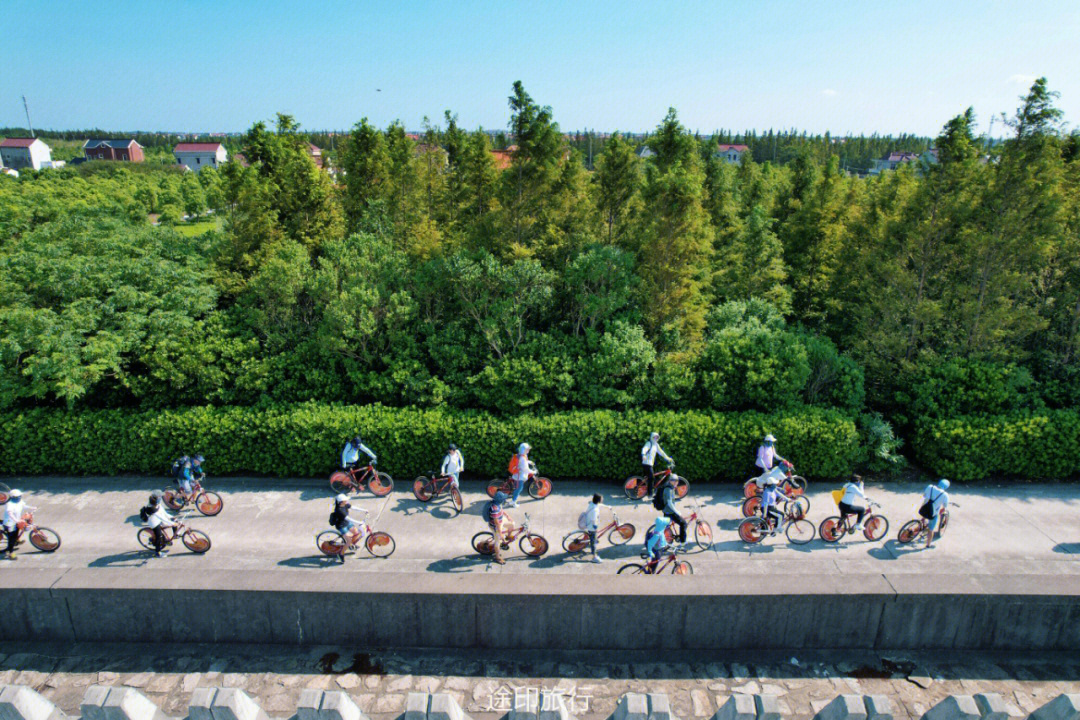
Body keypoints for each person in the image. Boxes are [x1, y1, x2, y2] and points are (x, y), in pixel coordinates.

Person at [329, 494, 367, 563]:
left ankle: (350, 545)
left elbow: (353, 507)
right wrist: (359, 522)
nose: (347, 500)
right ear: (341, 502)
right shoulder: (339, 510)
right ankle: (341, 554)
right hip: (341, 526)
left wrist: (364, 510)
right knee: (349, 541)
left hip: (347, 523)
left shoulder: (345, 504)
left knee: (356, 533)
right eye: (345, 500)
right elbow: (348, 518)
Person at [640, 431, 674, 499]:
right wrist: (643, 454)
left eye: (657, 437)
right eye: (654, 437)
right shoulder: (649, 443)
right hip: (646, 463)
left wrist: (668, 458)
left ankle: (649, 489)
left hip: (650, 463)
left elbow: (661, 452)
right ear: (652, 437)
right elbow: (644, 449)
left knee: (651, 477)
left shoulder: (656, 445)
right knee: (651, 478)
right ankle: (650, 494)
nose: (656, 438)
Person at [484, 491, 514, 565]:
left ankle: (508, 536)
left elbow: (502, 510)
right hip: (496, 525)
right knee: (498, 542)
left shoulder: (498, 504)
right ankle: (497, 557)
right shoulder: (494, 509)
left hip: (501, 520)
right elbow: (496, 522)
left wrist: (507, 516)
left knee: (512, 524)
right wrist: (500, 533)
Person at [920, 478, 951, 549]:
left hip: (923, 509)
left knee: (926, 512)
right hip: (932, 514)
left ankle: (922, 521)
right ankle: (928, 545)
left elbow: (924, 496)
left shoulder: (930, 487)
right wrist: (941, 510)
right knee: (931, 529)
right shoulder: (945, 495)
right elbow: (944, 507)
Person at [659, 473, 686, 546]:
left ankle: (665, 540)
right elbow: (669, 503)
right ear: (670, 481)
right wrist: (677, 511)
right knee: (683, 523)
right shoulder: (668, 489)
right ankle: (682, 542)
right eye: (673, 481)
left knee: (666, 527)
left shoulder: (670, 487)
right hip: (670, 512)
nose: (675, 482)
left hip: (667, 511)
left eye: (677, 481)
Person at [3, 489, 27, 560]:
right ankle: (11, 553)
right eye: (18, 496)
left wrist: (33, 508)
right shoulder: (9, 505)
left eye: (20, 496)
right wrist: (16, 520)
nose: (19, 497)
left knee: (17, 532)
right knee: (12, 539)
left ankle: (16, 539)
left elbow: (24, 505)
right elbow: (10, 514)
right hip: (10, 523)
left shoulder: (19, 502)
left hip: (15, 522)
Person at [509, 443, 536, 508]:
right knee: (519, 489)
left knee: (518, 488)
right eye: (527, 449)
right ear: (523, 450)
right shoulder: (523, 458)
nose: (528, 451)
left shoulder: (521, 455)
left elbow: (525, 461)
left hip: (518, 474)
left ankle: (514, 498)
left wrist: (530, 462)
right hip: (519, 476)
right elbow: (526, 469)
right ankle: (513, 502)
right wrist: (533, 471)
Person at [582, 494, 603, 563]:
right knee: (593, 542)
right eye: (601, 498)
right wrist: (595, 527)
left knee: (593, 538)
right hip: (591, 527)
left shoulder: (592, 504)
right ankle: (594, 557)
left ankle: (593, 540)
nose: (602, 499)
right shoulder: (595, 510)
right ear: (599, 500)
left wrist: (607, 506)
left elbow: (599, 505)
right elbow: (594, 520)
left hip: (588, 523)